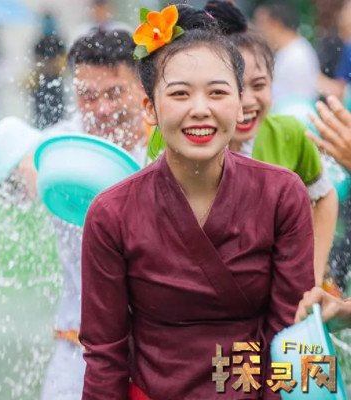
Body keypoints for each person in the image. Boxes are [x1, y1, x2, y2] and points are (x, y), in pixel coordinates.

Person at [80, 4, 314, 399]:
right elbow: (104, 355)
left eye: (218, 92)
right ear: (150, 109)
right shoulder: (111, 213)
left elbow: (291, 337)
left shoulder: (282, 194)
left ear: (240, 102)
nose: (200, 110)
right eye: (180, 94)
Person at [149, 0, 338, 286]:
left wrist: (311, 274)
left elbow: (324, 196)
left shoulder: (288, 134)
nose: (247, 101)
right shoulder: (175, 141)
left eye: (259, 85)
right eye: (226, 89)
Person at [23, 29, 147, 400]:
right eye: (88, 96)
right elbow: (27, 164)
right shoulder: (60, 144)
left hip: (154, 341)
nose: (102, 109)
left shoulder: (164, 146)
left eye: (115, 93)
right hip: (78, 338)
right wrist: (29, 170)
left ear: (143, 87)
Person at [253, 1, 320, 105]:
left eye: (261, 25)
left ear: (275, 25)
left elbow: (297, 101)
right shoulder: (289, 51)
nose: (258, 32)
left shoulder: (297, 55)